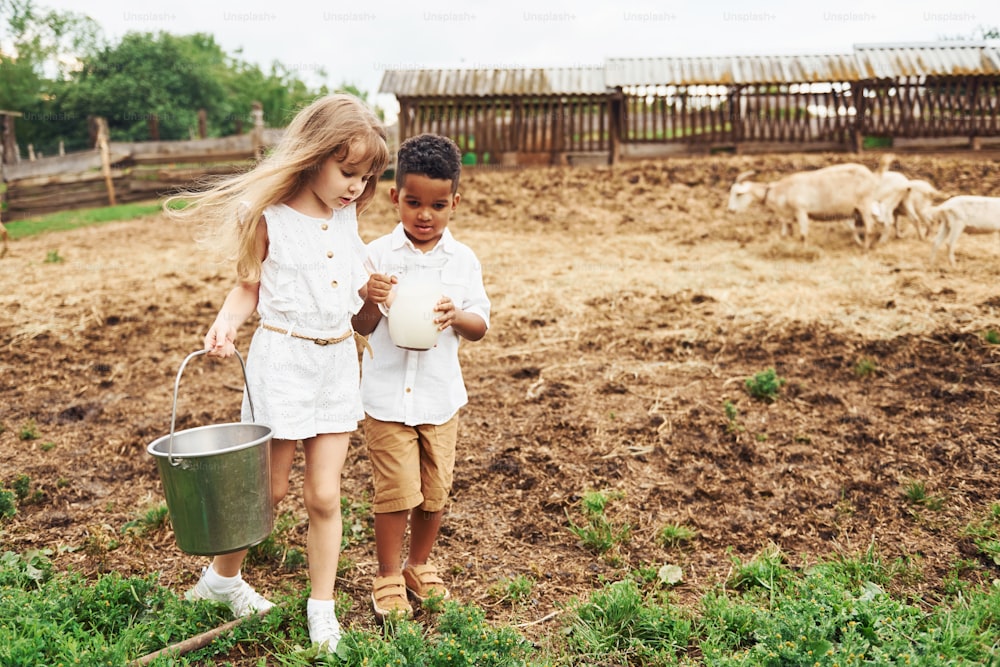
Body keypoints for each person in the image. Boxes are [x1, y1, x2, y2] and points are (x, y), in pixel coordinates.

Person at [163, 93, 390, 651]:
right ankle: (222, 579)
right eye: (346, 171)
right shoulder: (270, 219)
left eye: (364, 176)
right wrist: (226, 325)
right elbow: (247, 286)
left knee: (325, 496)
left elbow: (353, 291)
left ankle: (322, 609)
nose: (355, 186)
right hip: (283, 361)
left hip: (337, 361)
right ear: (313, 155)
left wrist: (374, 293)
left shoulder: (346, 217)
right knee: (267, 491)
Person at [352, 133, 490, 620]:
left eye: (437, 204)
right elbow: (360, 326)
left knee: (434, 492)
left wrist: (457, 316)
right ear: (395, 197)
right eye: (413, 202)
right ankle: (388, 573)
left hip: (439, 399)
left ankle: (418, 564)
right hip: (386, 397)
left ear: (455, 201)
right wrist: (369, 295)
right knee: (396, 490)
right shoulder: (376, 256)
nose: (424, 215)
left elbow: (480, 325)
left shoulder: (463, 261)